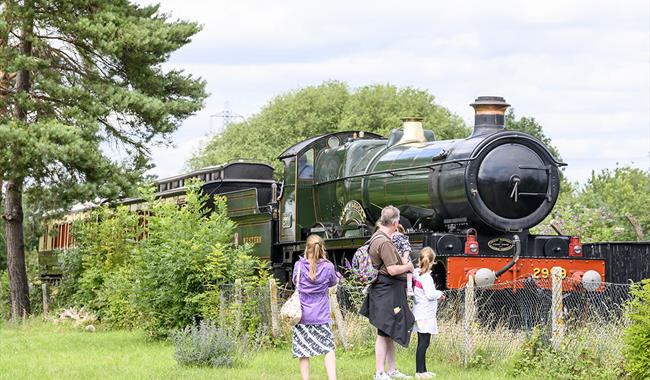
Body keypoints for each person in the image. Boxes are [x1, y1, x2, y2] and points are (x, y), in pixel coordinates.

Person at [359, 206, 415, 380]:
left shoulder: (377, 237)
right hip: (386, 291)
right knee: (383, 332)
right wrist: (408, 267)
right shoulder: (383, 242)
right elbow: (392, 270)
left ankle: (391, 370)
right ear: (396, 222)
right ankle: (380, 372)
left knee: (388, 330)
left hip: (386, 291)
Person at [292, 234, 340, 380]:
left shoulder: (298, 266)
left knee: (303, 351)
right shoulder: (328, 266)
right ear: (322, 248)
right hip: (321, 315)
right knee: (328, 348)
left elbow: (295, 282)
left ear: (307, 248)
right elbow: (333, 282)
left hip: (302, 316)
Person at [412, 247, 445, 379]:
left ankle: (423, 370)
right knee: (424, 343)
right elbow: (431, 295)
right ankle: (419, 372)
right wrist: (440, 293)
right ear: (432, 261)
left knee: (423, 342)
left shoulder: (417, 273)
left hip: (420, 312)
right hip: (425, 314)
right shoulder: (427, 278)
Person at [391, 224, 414, 296]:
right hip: (402, 257)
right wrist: (405, 258)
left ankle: (369, 284)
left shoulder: (390, 237)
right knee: (409, 271)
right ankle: (409, 287)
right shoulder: (402, 237)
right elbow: (407, 248)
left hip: (393, 258)